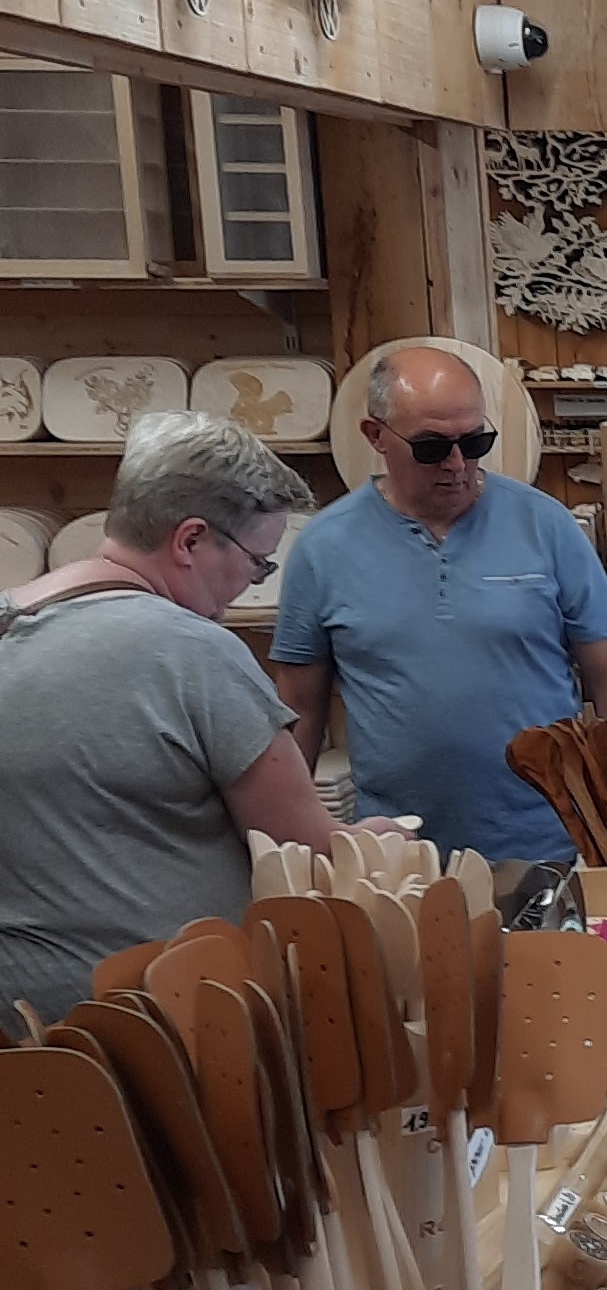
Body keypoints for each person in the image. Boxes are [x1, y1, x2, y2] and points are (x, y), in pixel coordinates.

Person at [0, 409, 347, 1025]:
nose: (249, 587)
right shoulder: (194, 654)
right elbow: (304, 852)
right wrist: (379, 842)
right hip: (162, 1030)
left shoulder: (8, 621)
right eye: (258, 563)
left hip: (21, 1031)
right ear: (190, 541)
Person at [271, 343, 607, 868]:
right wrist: (293, 844)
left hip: (549, 842)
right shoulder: (323, 548)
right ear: (376, 436)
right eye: (431, 448)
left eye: (475, 441)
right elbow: (299, 711)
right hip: (397, 854)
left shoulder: (547, 526)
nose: (458, 465)